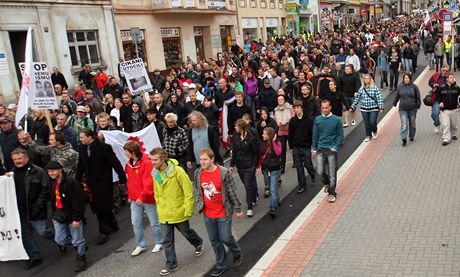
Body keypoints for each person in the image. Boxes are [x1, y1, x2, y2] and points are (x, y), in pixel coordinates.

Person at [150, 147, 204, 276]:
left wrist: (188, 208)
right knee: (167, 241)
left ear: (163, 159)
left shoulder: (178, 171)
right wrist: (159, 206)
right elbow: (156, 192)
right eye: (151, 159)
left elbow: (187, 191)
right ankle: (171, 264)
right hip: (164, 213)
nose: (152, 162)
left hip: (179, 211)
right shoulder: (155, 173)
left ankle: (198, 242)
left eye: (155, 160)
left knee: (187, 232)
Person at [193, 148, 243, 277]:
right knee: (214, 241)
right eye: (200, 159)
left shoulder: (224, 173)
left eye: (205, 159)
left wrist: (237, 209)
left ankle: (237, 252)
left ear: (212, 159)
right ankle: (221, 265)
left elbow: (232, 192)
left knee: (225, 237)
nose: (202, 162)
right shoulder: (198, 173)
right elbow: (198, 191)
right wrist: (199, 205)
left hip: (223, 212)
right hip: (208, 214)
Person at [76, 128, 127, 244]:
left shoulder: (104, 148)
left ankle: (103, 230)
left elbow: (115, 162)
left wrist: (122, 177)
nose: (80, 139)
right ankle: (113, 223)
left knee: (101, 206)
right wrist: (77, 181)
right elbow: (81, 165)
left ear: (90, 137)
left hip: (104, 181)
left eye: (82, 137)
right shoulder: (82, 148)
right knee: (99, 205)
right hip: (91, 182)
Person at [10, 148, 54, 270]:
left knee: (43, 231)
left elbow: (46, 189)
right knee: (25, 236)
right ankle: (35, 257)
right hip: (20, 211)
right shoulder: (12, 174)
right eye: (15, 159)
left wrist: (39, 205)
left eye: (19, 158)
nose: (17, 161)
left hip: (35, 209)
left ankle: (60, 241)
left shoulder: (38, 171)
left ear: (26, 158)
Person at [123, 141, 164, 256]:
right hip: (135, 198)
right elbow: (130, 182)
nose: (125, 153)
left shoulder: (146, 162)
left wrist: (142, 196)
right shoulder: (129, 163)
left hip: (147, 198)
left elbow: (149, 182)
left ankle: (159, 241)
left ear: (132, 152)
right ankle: (140, 244)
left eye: (126, 151)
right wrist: (130, 195)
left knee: (154, 221)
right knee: (136, 223)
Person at [46, 161, 87, 272]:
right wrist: (54, 216)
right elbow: (53, 200)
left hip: (72, 216)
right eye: (49, 171)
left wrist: (77, 219)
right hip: (59, 216)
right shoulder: (53, 183)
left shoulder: (71, 182)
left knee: (77, 240)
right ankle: (81, 246)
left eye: (53, 170)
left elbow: (78, 203)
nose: (51, 173)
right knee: (60, 239)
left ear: (60, 169)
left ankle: (81, 258)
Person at [311, 99, 344, 203]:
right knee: (320, 171)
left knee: (332, 173)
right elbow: (315, 135)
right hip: (321, 148)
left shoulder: (337, 120)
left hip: (331, 149)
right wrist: (314, 149)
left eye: (326, 108)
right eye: (323, 108)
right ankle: (327, 183)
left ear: (330, 107)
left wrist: (335, 147)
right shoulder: (318, 120)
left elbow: (340, 135)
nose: (325, 110)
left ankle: (332, 193)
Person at [230, 119, 259, 217]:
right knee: (248, 184)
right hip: (240, 165)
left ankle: (249, 207)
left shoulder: (251, 139)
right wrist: (231, 165)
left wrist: (254, 165)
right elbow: (234, 151)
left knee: (247, 185)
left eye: (236, 126)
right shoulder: (235, 137)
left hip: (249, 166)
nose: (235, 128)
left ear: (241, 127)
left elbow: (255, 153)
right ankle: (254, 197)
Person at [288, 101, 315, 194]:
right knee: (299, 167)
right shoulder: (292, 121)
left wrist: (312, 145)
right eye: (295, 108)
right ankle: (302, 185)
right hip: (296, 147)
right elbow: (290, 135)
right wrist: (291, 147)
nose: (296, 110)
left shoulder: (309, 120)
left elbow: (312, 133)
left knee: (308, 164)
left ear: (302, 108)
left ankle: (312, 173)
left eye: (298, 108)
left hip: (306, 146)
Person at [350, 74, 384, 142]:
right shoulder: (361, 89)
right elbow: (357, 99)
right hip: (364, 108)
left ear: (370, 79)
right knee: (366, 123)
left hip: (374, 108)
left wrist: (381, 107)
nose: (366, 80)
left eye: (368, 78)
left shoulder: (375, 88)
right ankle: (368, 135)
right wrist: (352, 107)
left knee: (372, 122)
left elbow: (379, 98)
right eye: (365, 79)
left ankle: (374, 130)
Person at [258, 127, 282, 217]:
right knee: (272, 188)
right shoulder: (262, 143)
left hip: (275, 169)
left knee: (272, 189)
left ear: (269, 135)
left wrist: (273, 142)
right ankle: (277, 199)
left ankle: (273, 207)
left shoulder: (277, 143)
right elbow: (260, 155)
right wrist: (258, 166)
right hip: (266, 169)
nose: (262, 135)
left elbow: (278, 153)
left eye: (264, 134)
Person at [393, 73, 421, 146]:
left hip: (412, 108)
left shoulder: (414, 87)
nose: (406, 79)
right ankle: (404, 139)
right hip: (403, 108)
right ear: (403, 79)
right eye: (405, 78)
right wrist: (395, 102)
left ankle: (411, 136)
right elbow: (397, 95)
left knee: (412, 123)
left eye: (408, 78)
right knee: (404, 124)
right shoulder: (400, 86)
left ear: (410, 79)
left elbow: (418, 97)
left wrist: (418, 105)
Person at [437, 73, 460, 146]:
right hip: (445, 110)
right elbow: (438, 96)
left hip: (454, 109)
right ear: (447, 79)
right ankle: (446, 139)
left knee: (453, 125)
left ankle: (453, 134)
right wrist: (440, 102)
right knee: (446, 125)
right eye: (451, 77)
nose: (453, 78)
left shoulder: (457, 87)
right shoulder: (441, 87)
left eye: (453, 77)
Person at [274, 94, 294, 174]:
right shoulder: (276, 110)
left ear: (284, 100)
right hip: (281, 132)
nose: (280, 101)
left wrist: (288, 121)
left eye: (281, 99)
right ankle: (282, 166)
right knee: (282, 150)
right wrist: (278, 123)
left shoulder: (289, 108)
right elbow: (275, 120)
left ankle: (296, 161)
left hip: (290, 130)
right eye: (278, 100)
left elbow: (293, 117)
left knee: (292, 147)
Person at [428, 65, 449, 134]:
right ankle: (437, 124)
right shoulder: (436, 75)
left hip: (446, 100)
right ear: (441, 70)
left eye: (446, 71)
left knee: (445, 116)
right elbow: (430, 82)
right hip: (436, 99)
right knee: (434, 114)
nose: (445, 72)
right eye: (443, 70)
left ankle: (445, 128)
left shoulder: (449, 77)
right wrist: (434, 85)